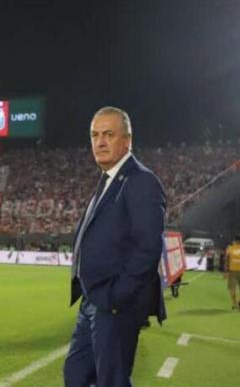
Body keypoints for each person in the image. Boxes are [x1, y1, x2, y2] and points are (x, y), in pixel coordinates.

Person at [63, 106, 166, 387]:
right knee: (76, 374)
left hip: (115, 303)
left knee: (112, 380)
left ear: (127, 140)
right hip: (93, 299)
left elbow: (148, 248)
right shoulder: (107, 180)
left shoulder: (140, 181)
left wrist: (116, 296)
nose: (100, 142)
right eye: (95, 135)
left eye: (109, 134)